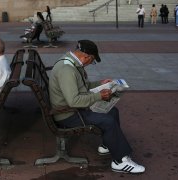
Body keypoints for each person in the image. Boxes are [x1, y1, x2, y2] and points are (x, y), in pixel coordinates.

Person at [48, 40, 145, 174]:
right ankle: (120, 161)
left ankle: (107, 144)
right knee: (108, 121)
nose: (90, 64)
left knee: (112, 111)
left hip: (72, 110)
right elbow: (74, 101)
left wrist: (100, 83)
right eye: (92, 61)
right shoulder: (67, 70)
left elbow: (82, 87)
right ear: (87, 57)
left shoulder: (70, 62)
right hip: (68, 115)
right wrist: (99, 96)